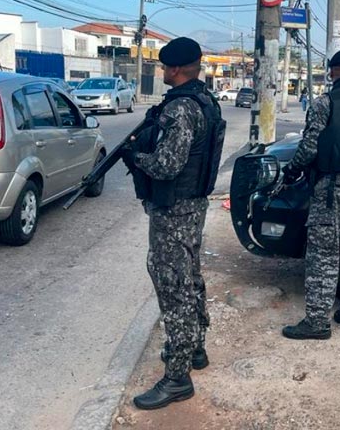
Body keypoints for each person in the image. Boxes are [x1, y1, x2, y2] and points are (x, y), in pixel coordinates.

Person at [123, 37, 226, 410]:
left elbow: (167, 165)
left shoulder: (182, 109)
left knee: (173, 284)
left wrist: (137, 159)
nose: (163, 72)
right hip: (192, 206)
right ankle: (195, 348)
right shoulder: (206, 101)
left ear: (175, 69)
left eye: (165, 67)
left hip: (175, 209)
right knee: (189, 275)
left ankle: (178, 377)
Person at [280, 48, 340, 340]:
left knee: (323, 254)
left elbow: (310, 147)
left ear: (334, 71)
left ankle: (317, 322)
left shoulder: (325, 103)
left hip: (333, 188)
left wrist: (292, 170)